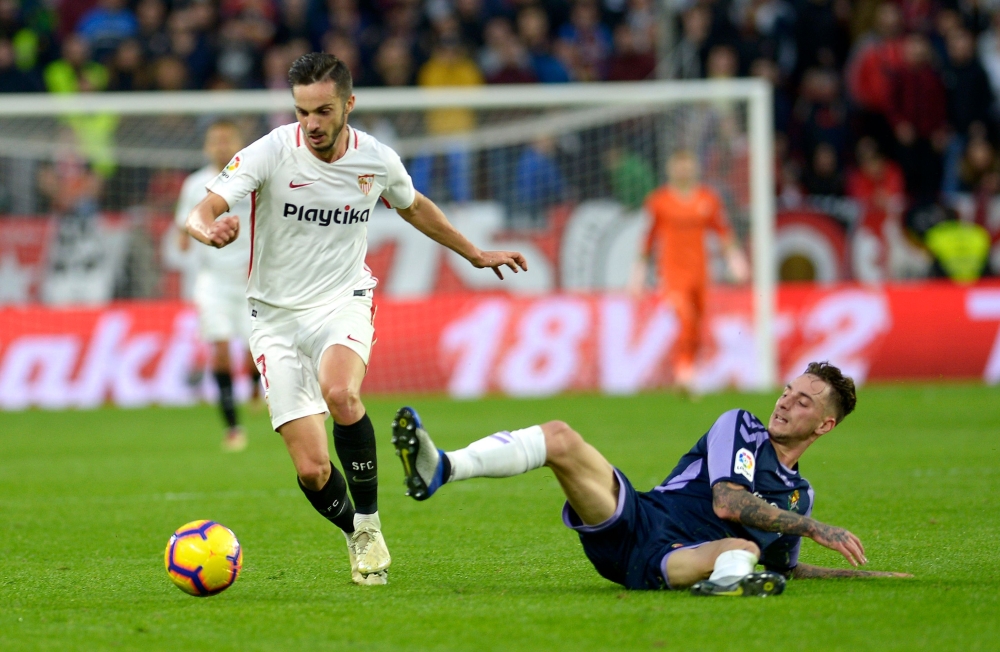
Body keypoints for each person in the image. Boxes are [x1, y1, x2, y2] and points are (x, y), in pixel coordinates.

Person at [184, 53, 528, 585]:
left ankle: (369, 524)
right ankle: (352, 530)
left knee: (341, 393)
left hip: (342, 299)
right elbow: (199, 211)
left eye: (322, 111)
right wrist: (207, 231)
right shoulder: (271, 151)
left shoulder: (376, 160)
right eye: (302, 112)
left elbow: (414, 206)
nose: (312, 124)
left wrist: (475, 254)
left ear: (349, 103)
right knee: (313, 469)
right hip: (273, 317)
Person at [392, 362, 912, 595]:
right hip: (638, 520)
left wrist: (868, 579)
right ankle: (443, 467)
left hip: (671, 561)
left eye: (803, 401)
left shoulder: (799, 494)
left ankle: (727, 582)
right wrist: (816, 527)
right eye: (786, 390)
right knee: (560, 436)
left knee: (745, 551)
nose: (784, 402)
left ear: (824, 425)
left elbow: (787, 570)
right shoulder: (741, 425)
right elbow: (730, 499)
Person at [175, 120, 261, 452]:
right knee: (222, 351)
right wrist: (183, 241)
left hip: (251, 281)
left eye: (228, 140)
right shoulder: (195, 184)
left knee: (255, 353)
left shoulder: (253, 178)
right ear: (206, 146)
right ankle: (233, 428)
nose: (222, 146)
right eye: (216, 141)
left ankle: (255, 384)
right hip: (212, 281)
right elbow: (185, 224)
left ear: (240, 144)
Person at [630, 150, 749, 389]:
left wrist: (737, 261)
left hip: (700, 274)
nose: (683, 170)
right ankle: (683, 372)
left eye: (687, 165)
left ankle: (687, 370)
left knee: (697, 323)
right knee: (685, 318)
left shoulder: (708, 199)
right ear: (670, 169)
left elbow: (724, 232)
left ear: (695, 168)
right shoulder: (658, 201)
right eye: (678, 165)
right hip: (672, 275)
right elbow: (647, 239)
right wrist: (639, 274)